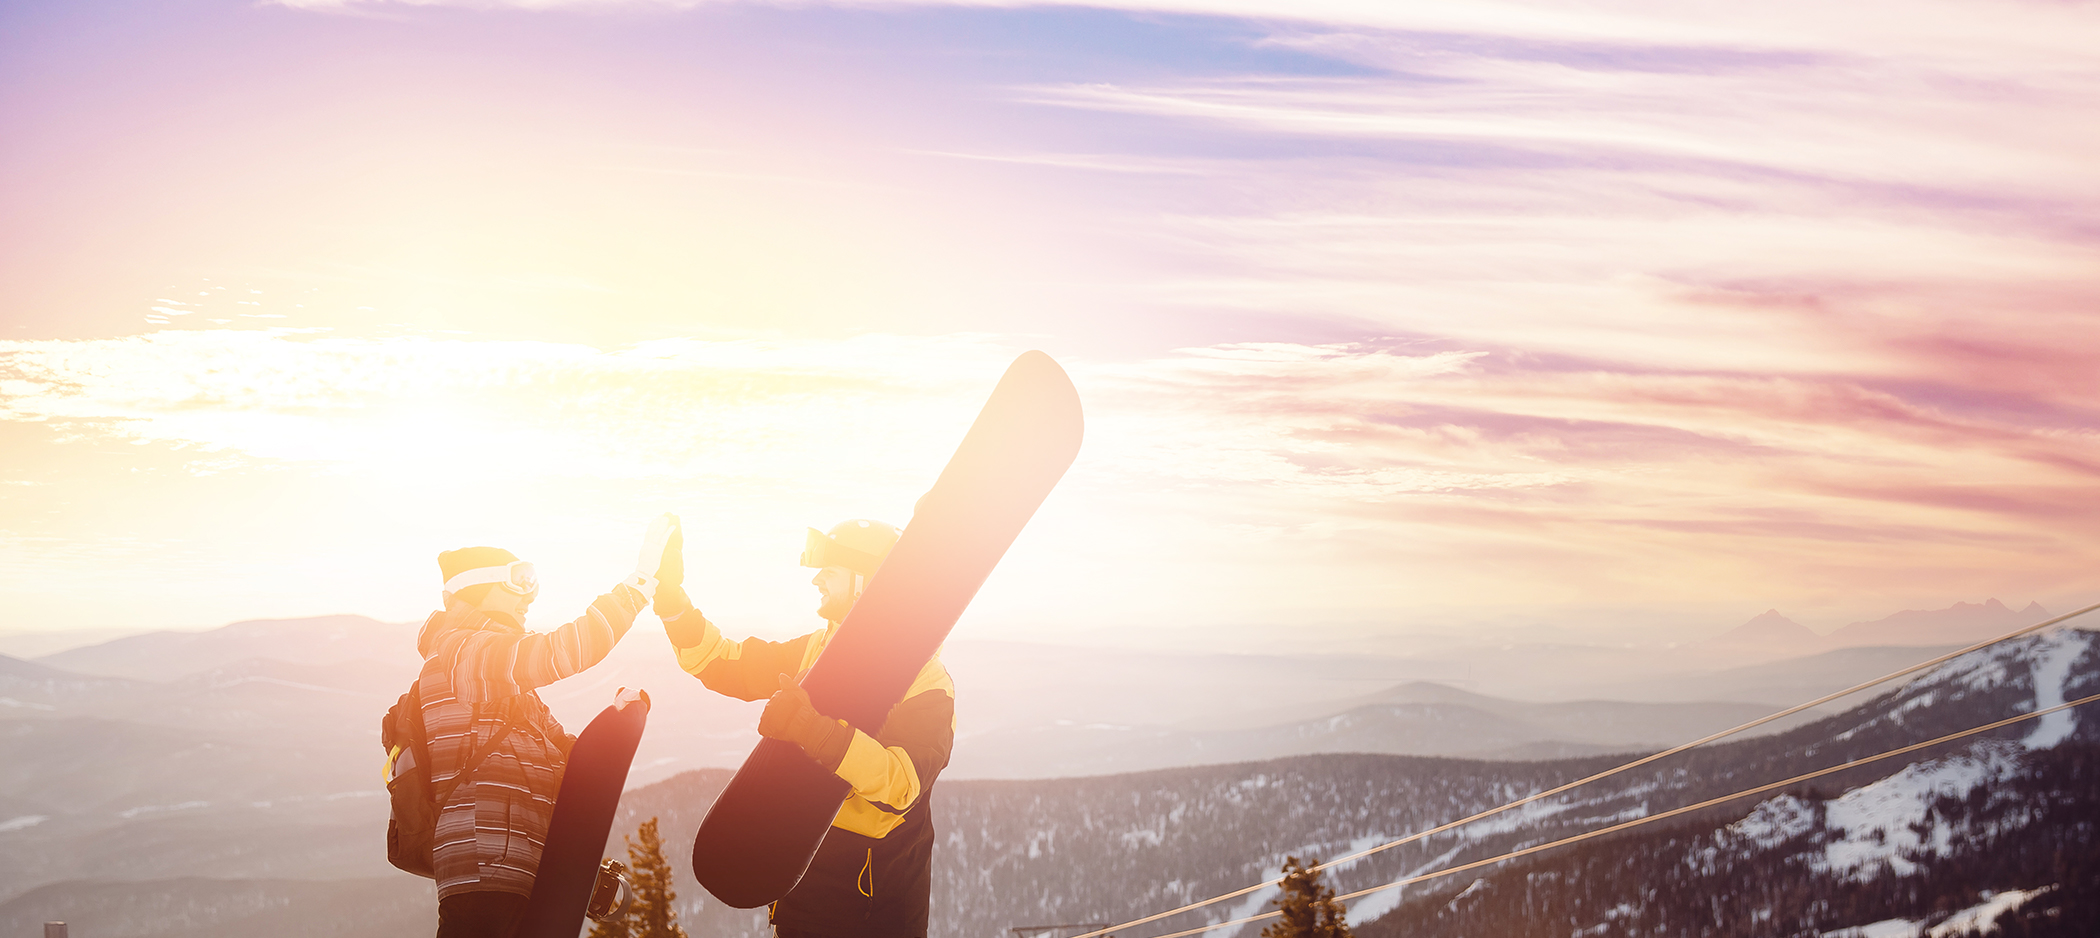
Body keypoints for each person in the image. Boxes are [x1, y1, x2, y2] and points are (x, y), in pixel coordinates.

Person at [659, 518, 955, 938]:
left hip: (872, 904)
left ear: (866, 582)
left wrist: (817, 733)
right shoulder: (820, 653)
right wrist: (672, 604)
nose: (817, 580)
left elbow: (902, 784)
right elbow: (722, 662)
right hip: (802, 878)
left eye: (830, 571)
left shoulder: (924, 680)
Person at [418, 517, 680, 938]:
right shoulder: (461, 654)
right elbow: (561, 650)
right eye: (518, 583)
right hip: (485, 875)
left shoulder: (506, 686)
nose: (530, 596)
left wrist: (614, 722)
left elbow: (568, 761)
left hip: (516, 873)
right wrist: (640, 584)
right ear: (477, 589)